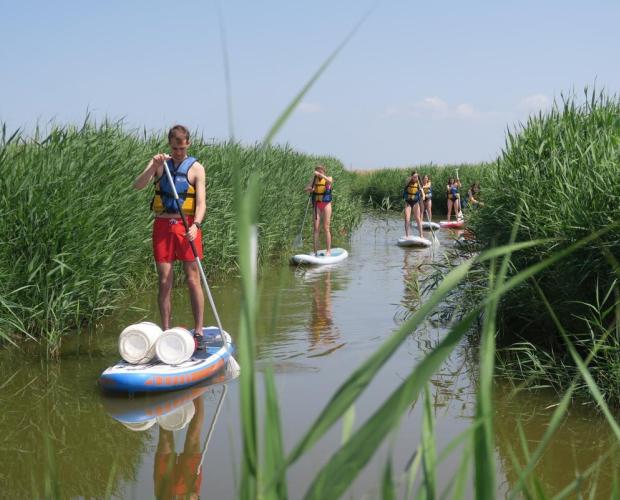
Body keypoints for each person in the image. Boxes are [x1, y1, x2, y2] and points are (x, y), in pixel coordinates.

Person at [133, 125, 207, 350]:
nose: (178, 153)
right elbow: (137, 186)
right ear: (169, 145)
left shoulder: (196, 168)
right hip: (163, 225)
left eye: (182, 149)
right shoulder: (159, 164)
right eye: (175, 148)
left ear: (188, 145)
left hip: (187, 227)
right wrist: (153, 167)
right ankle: (165, 331)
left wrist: (196, 224)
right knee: (164, 280)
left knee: (193, 278)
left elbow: (202, 203)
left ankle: (199, 331)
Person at [154, 396, 205, 499]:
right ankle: (198, 390)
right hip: (187, 490)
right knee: (192, 438)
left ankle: (162, 394)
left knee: (165, 437)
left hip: (166, 493)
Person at [305, 165, 333, 256]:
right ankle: (315, 251)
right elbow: (306, 189)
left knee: (326, 227)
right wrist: (309, 189)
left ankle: (328, 251)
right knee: (316, 228)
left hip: (326, 205)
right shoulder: (313, 180)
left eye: (320, 172)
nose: (319, 174)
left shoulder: (328, 178)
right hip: (316, 204)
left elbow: (330, 181)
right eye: (317, 172)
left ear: (324, 172)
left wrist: (321, 175)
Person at [402, 171, 425, 238]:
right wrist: (411, 178)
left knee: (418, 218)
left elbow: (422, 192)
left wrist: (423, 195)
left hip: (415, 203)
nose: (415, 178)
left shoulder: (419, 184)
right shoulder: (408, 182)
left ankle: (421, 235)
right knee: (407, 218)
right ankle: (407, 235)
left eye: (416, 177)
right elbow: (406, 184)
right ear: (412, 177)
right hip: (408, 202)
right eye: (414, 177)